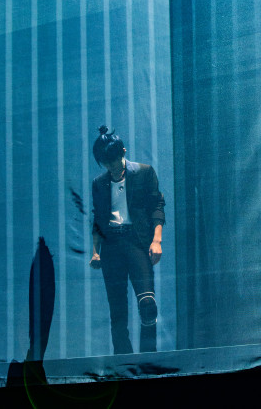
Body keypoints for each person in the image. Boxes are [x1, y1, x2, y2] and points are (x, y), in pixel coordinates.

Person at [89, 125, 165, 354]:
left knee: (148, 304)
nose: (111, 166)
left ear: (123, 151)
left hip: (137, 241)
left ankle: (148, 357)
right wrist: (95, 251)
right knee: (118, 311)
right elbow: (98, 219)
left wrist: (156, 240)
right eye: (106, 162)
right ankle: (123, 361)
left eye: (113, 160)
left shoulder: (143, 172)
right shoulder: (99, 183)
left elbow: (157, 206)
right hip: (111, 245)